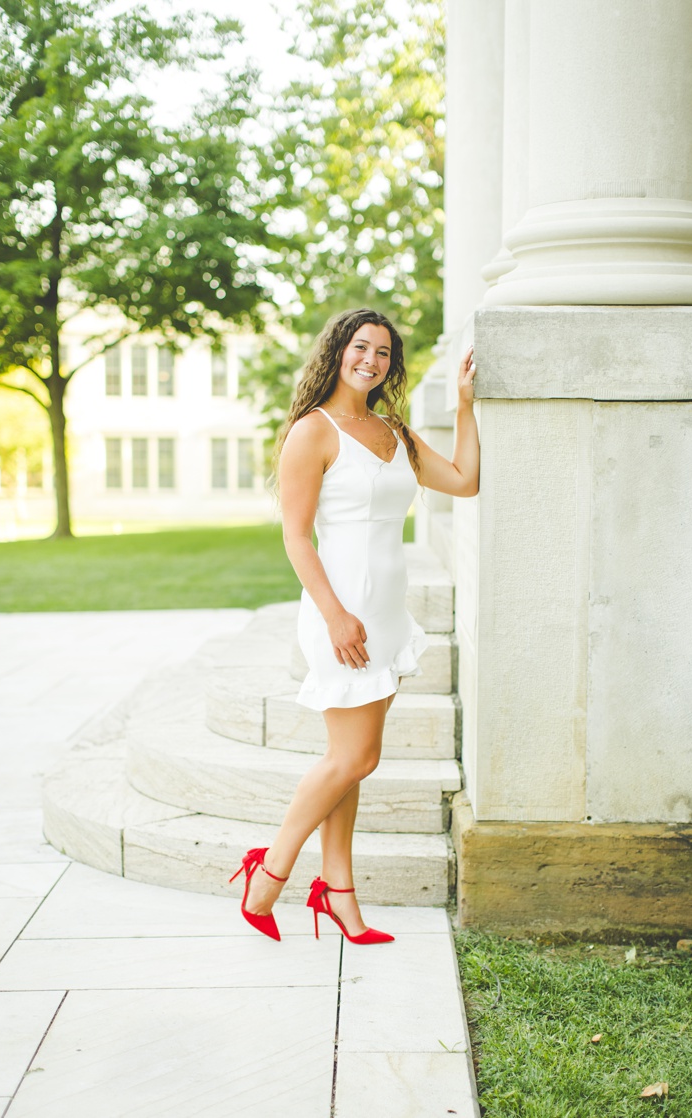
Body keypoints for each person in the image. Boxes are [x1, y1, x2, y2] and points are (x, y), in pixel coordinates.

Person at [229, 308, 479, 944]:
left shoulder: (393, 431)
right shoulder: (313, 432)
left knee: (353, 763)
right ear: (338, 351)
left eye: (384, 352)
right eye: (360, 347)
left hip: (387, 615)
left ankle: (339, 893)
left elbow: (464, 481)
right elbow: (295, 536)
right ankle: (271, 871)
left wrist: (464, 407)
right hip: (341, 612)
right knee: (355, 755)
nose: (371, 360)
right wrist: (337, 614)